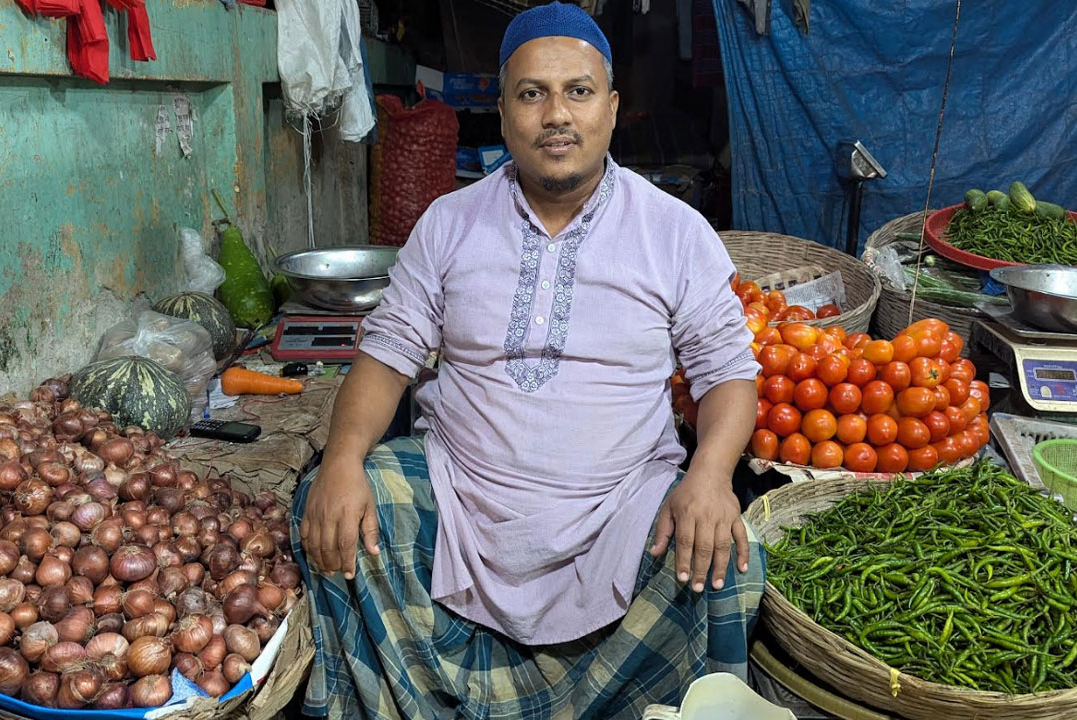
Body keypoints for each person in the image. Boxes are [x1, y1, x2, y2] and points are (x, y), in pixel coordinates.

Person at [291, 3, 764, 718]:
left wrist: (710, 476)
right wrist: (340, 462)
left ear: (611, 108)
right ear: (504, 112)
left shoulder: (675, 232)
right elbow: (386, 357)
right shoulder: (449, 223)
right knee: (336, 510)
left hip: (618, 505)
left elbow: (727, 372)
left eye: (577, 91)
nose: (556, 115)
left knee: (726, 558)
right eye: (532, 93)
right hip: (461, 495)